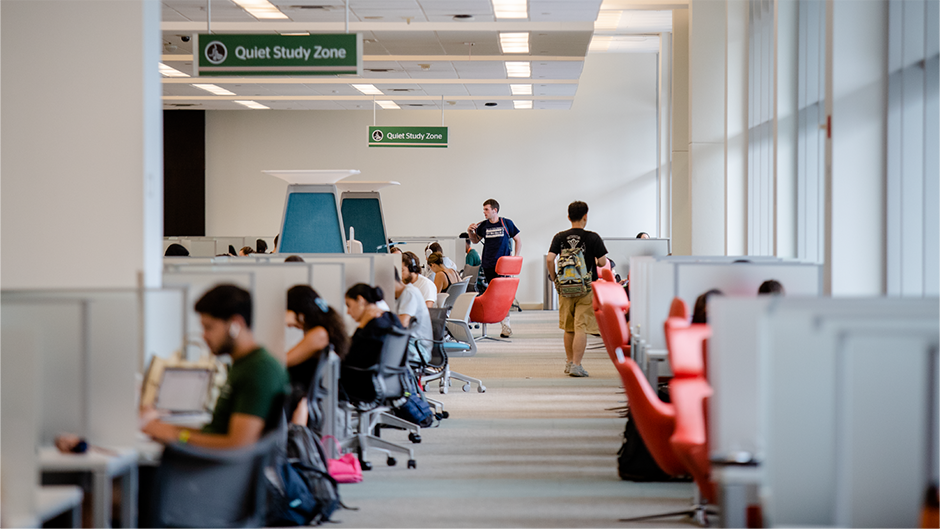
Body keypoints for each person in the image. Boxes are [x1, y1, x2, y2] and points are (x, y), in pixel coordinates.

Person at [140, 285, 289, 449]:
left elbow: (238, 445)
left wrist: (177, 436)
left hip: (215, 471)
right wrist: (163, 428)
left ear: (235, 324)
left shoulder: (259, 370)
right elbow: (216, 432)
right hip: (211, 465)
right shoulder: (242, 365)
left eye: (209, 327)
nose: (204, 336)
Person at [546, 201, 608, 378]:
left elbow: (550, 259)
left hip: (565, 288)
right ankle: (577, 365)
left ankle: (568, 361)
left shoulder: (559, 237)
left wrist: (555, 279)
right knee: (581, 326)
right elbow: (603, 262)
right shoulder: (593, 237)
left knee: (569, 327)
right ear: (585, 217)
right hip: (585, 289)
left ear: (568, 217)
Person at [285, 285, 349, 425]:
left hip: (297, 396)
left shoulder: (319, 334)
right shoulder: (320, 331)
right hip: (299, 394)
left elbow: (285, 361)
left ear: (299, 312)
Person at [341, 283, 403, 403]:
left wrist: (361, 326)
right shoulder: (391, 318)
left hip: (365, 386)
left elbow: (351, 356)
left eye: (349, 305)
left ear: (360, 300)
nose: (348, 312)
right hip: (389, 381)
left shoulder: (373, 327)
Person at [467, 198, 521, 337]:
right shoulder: (483, 225)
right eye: (483, 209)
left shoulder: (506, 223)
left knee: (503, 295)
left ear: (494, 210)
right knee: (493, 295)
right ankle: (499, 320)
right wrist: (470, 232)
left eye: (486, 209)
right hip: (488, 264)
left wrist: (515, 257)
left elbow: (518, 240)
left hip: (503, 265)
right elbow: (475, 240)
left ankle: (506, 325)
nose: (484, 212)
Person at [392, 268, 433, 364]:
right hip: (409, 344)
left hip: (417, 350)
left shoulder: (409, 293)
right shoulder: (398, 296)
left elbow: (402, 323)